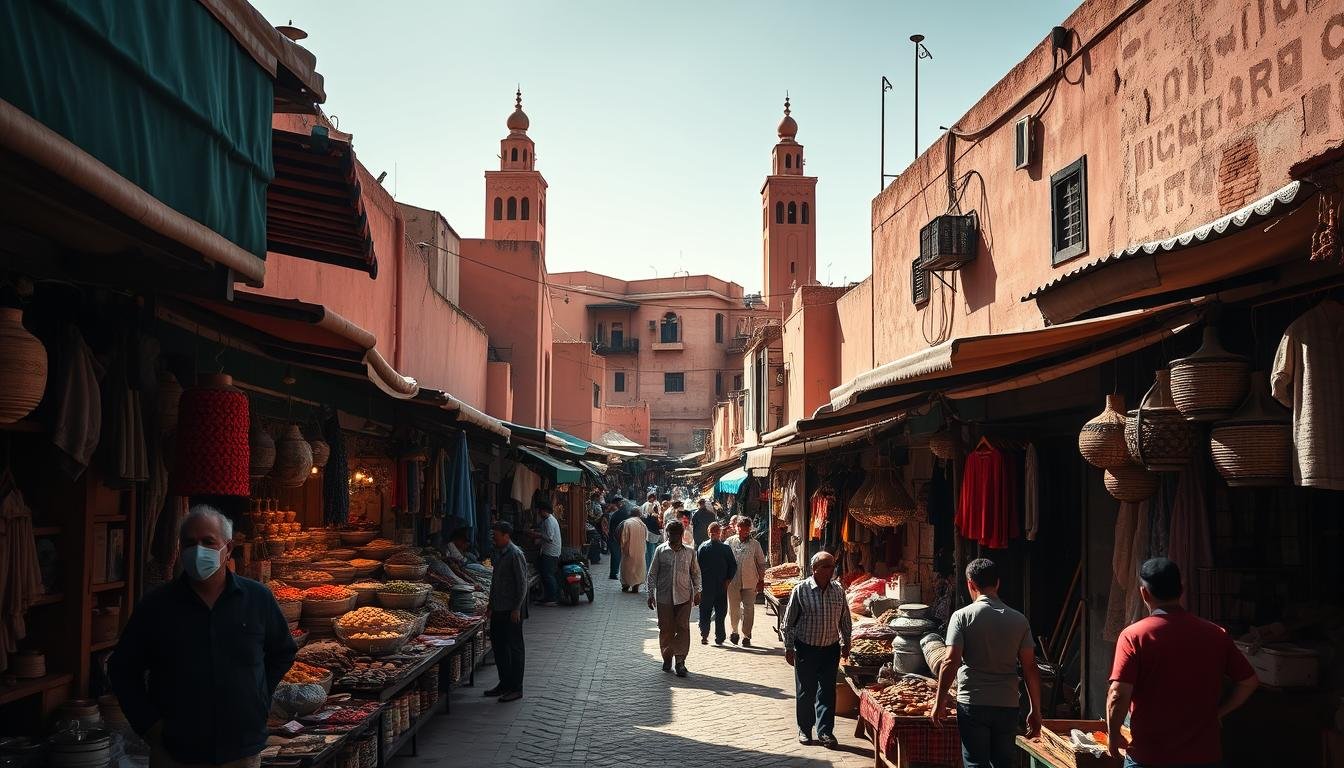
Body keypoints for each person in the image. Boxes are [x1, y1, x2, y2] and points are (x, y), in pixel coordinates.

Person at [109, 505, 295, 768]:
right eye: (189, 543)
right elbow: (122, 669)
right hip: (175, 751)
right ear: (180, 549)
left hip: (240, 750)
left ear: (227, 548)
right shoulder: (157, 606)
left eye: (208, 542)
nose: (198, 550)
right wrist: (149, 725)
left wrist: (258, 697)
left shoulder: (257, 599)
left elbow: (283, 651)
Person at [1105, 558, 1258, 767]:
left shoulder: (1134, 636)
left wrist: (1113, 737)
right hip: (1204, 756)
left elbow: (1117, 694)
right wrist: (1218, 713)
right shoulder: (1215, 634)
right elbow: (1249, 682)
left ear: (1144, 594)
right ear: (1181, 590)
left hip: (1150, 756)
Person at [932, 558, 1042, 768]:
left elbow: (950, 662)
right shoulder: (1019, 620)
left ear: (970, 584)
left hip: (973, 704)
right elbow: (1030, 667)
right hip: (1008, 703)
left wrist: (940, 700)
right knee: (1004, 763)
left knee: (975, 762)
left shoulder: (961, 617)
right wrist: (1036, 710)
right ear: (997, 583)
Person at [782, 551, 851, 749]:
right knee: (806, 691)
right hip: (806, 648)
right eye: (826, 566)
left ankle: (826, 732)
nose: (831, 570)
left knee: (827, 692)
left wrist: (846, 642)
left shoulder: (838, 590)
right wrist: (789, 647)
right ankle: (805, 728)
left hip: (830, 649)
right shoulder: (801, 590)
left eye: (832, 566)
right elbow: (788, 623)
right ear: (815, 569)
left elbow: (844, 619)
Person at [646, 521, 702, 677]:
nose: (671, 538)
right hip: (664, 598)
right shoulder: (660, 551)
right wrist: (650, 594)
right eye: (669, 534)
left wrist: (698, 591)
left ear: (681, 535)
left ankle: (680, 662)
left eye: (675, 535)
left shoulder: (690, 552)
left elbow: (696, 574)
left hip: (684, 597)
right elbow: (652, 574)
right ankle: (667, 657)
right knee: (666, 630)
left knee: (683, 628)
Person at [485, 521, 529, 703]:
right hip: (498, 609)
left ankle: (516, 688)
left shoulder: (515, 554)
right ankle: (504, 683)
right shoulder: (501, 553)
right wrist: (490, 605)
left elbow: (522, 584)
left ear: (506, 536)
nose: (493, 539)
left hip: (511, 610)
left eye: (496, 536)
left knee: (515, 648)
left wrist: (517, 607)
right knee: (500, 648)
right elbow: (496, 583)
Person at [726, 515, 768, 647]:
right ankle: (734, 632)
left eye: (746, 529)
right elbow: (723, 561)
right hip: (732, 581)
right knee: (734, 608)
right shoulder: (729, 542)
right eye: (740, 528)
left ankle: (746, 635)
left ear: (749, 529)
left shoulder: (755, 544)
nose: (743, 531)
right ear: (736, 528)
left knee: (749, 608)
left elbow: (761, 563)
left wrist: (761, 580)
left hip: (750, 581)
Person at [696, 521, 737, 645]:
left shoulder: (724, 548)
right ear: (709, 533)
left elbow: (733, 566)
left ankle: (717, 636)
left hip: (719, 585)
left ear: (719, 533)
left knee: (719, 612)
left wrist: (728, 580)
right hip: (709, 585)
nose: (714, 534)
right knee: (708, 611)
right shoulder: (703, 547)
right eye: (712, 532)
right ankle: (706, 635)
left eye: (716, 532)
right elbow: (697, 568)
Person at [532, 500, 562, 607]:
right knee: (546, 574)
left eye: (539, 511)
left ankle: (552, 598)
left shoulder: (549, 521)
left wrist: (537, 535)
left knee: (548, 575)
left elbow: (549, 537)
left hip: (550, 552)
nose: (539, 513)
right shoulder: (549, 520)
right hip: (549, 551)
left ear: (543, 511)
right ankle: (548, 596)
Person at [617, 507, 649, 592]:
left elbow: (623, 538)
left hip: (628, 551)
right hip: (640, 551)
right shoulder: (643, 524)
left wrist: (622, 547)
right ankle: (636, 586)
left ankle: (625, 585)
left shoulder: (627, 523)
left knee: (627, 568)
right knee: (638, 568)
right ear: (639, 515)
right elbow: (646, 538)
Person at [606, 496, 631, 580]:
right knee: (616, 555)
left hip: (616, 537)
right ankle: (614, 573)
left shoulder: (618, 512)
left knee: (616, 555)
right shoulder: (620, 513)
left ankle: (614, 573)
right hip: (616, 537)